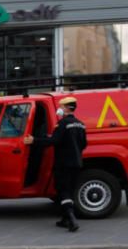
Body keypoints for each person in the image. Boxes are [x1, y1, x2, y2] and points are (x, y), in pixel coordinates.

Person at [24, 96, 87, 232]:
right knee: (69, 191)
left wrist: (34, 140)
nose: (59, 109)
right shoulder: (81, 124)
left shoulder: (62, 124)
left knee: (62, 191)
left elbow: (54, 141)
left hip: (63, 164)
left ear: (65, 108)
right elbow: (83, 144)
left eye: (61, 107)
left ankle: (71, 219)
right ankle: (65, 219)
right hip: (77, 163)